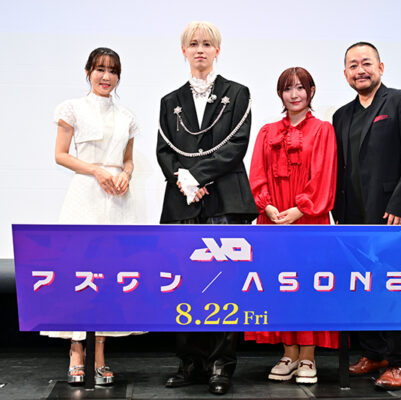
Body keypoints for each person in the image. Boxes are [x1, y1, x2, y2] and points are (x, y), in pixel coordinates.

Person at [156, 21, 258, 395]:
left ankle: (220, 365)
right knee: (185, 284)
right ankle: (190, 362)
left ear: (217, 50)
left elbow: (236, 146)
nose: (200, 49)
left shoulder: (238, 93)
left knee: (223, 285)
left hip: (225, 201)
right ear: (184, 51)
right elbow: (164, 151)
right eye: (194, 44)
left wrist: (195, 177)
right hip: (183, 203)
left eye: (207, 44)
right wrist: (184, 182)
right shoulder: (169, 101)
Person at [45, 47, 143, 386]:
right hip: (85, 193)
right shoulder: (72, 108)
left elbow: (128, 159)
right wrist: (96, 171)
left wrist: (126, 173)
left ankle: (99, 352)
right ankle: (76, 349)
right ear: (88, 72)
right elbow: (60, 155)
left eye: (113, 71)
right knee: (80, 270)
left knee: (110, 273)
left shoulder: (127, 116)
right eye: (100, 69)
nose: (106, 76)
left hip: (117, 198)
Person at [331, 42, 401, 390]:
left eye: (366, 63)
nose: (360, 70)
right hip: (353, 218)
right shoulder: (341, 115)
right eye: (353, 65)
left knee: (397, 288)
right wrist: (337, 213)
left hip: (394, 216)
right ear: (345, 73)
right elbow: (341, 168)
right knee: (364, 288)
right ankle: (374, 353)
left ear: (380, 68)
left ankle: (400, 362)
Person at [245, 67, 338, 384]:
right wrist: (267, 206)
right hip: (273, 219)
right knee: (279, 284)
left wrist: (300, 209)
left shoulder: (323, 130)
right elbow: (256, 173)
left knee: (307, 285)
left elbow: (324, 177)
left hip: (309, 219)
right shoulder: (267, 131)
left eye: (300, 88)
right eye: (288, 89)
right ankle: (289, 353)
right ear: (280, 94)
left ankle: (308, 355)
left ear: (311, 91)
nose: (294, 94)